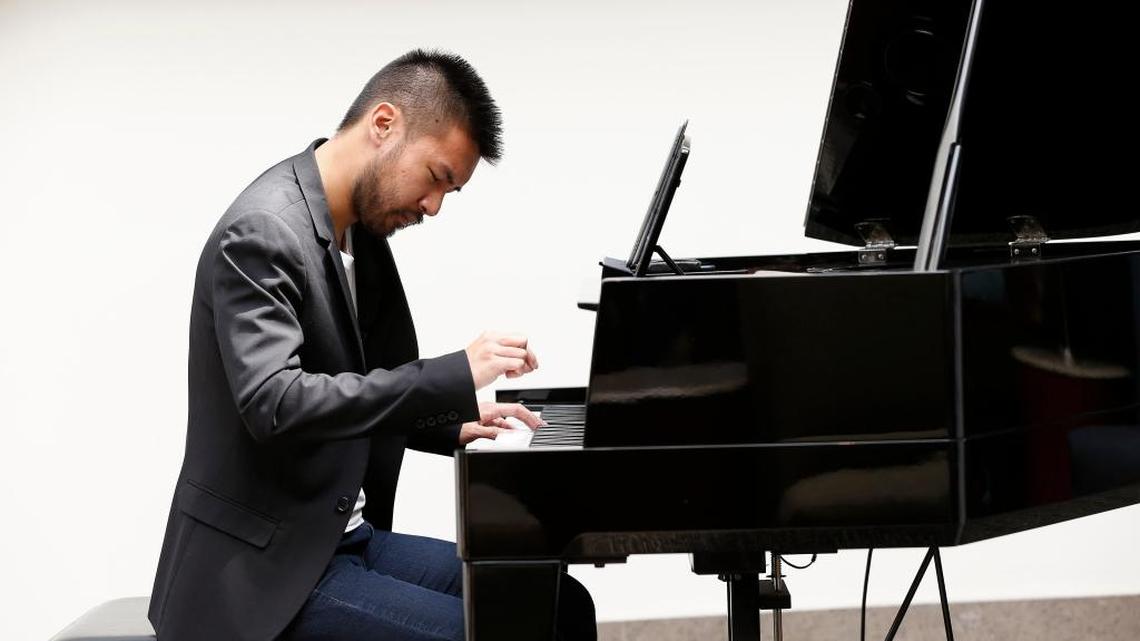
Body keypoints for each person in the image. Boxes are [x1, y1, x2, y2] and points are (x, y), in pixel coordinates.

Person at [148, 49, 596, 641]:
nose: (433, 207)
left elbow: (360, 383)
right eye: (436, 177)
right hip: (267, 571)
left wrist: (452, 420)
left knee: (562, 602)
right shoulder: (263, 231)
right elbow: (275, 403)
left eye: (450, 192)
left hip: (341, 539)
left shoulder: (358, 232)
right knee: (494, 631)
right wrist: (454, 373)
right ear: (384, 124)